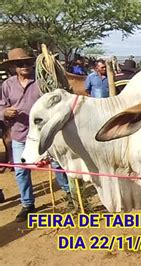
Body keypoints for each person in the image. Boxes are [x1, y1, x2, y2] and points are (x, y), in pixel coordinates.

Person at [0, 48, 72, 222]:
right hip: (19, 133)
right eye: (19, 64)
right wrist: (4, 113)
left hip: (44, 134)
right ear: (13, 67)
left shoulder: (42, 83)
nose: (24, 66)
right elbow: (1, 106)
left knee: (57, 166)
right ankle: (27, 204)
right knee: (20, 171)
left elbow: (56, 104)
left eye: (27, 62)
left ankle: (70, 195)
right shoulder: (7, 85)